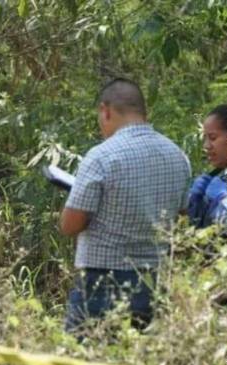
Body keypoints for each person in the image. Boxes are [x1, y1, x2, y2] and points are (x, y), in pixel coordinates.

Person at [60, 78, 191, 333]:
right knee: (142, 360)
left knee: (86, 360)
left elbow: (70, 225)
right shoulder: (177, 156)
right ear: (144, 112)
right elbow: (182, 217)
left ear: (105, 110)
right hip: (155, 279)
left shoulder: (101, 157)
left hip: (101, 282)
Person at [187, 104, 227, 228]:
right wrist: (195, 205)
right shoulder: (221, 178)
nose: (206, 146)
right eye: (205, 138)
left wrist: (222, 200)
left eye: (213, 137)